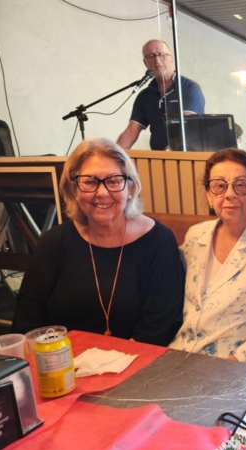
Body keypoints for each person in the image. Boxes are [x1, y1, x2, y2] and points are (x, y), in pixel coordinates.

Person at [13, 138, 184, 346]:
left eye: (113, 181)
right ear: (73, 188)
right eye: (90, 182)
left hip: (135, 359)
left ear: (130, 187)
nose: (102, 193)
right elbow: (26, 322)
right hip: (61, 359)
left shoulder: (159, 241)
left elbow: (160, 327)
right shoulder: (53, 242)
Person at [169, 148, 246, 365]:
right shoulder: (195, 236)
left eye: (240, 185)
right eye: (220, 186)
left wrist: (223, 369)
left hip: (232, 366)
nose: (229, 194)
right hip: (178, 354)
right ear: (208, 194)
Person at [117, 40, 205, 150]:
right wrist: (112, 155)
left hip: (185, 157)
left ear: (172, 59)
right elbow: (130, 133)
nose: (157, 60)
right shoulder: (145, 96)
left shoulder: (189, 88)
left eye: (162, 55)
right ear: (145, 63)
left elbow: (188, 127)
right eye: (151, 56)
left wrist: (167, 153)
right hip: (158, 157)